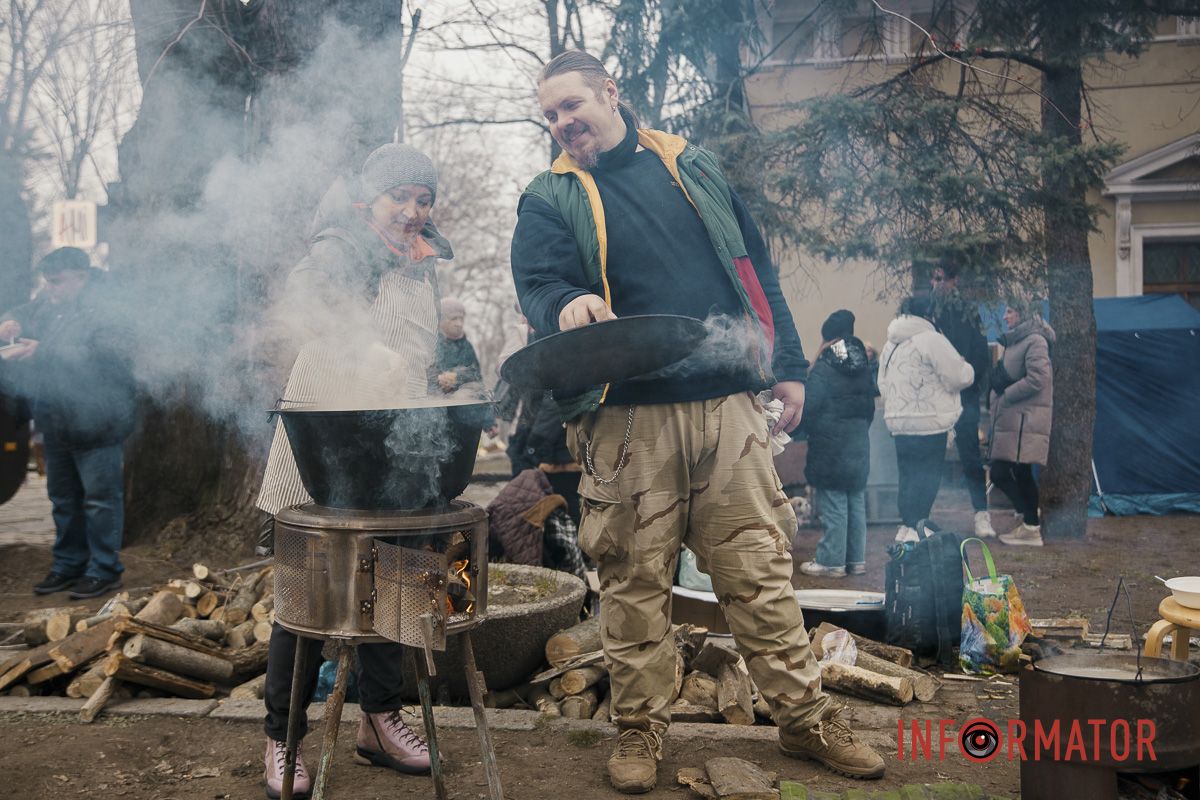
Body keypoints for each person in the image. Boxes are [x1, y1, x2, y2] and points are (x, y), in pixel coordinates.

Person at [510, 50, 884, 794]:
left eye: (571, 105)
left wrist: (787, 366)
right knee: (632, 581)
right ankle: (641, 730)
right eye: (549, 114)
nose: (562, 122)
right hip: (624, 421)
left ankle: (804, 719)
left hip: (727, 408)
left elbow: (753, 267)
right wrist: (566, 306)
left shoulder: (691, 166)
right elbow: (540, 284)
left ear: (610, 93)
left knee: (759, 571)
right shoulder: (549, 196)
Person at [255, 143, 450, 798]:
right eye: (402, 196)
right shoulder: (338, 248)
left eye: (424, 199)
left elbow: (420, 353)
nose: (414, 211)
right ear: (370, 197)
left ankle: (380, 719)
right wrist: (367, 351)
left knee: (398, 584)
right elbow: (301, 307)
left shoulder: (424, 268)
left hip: (395, 449)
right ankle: (282, 740)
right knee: (308, 596)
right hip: (326, 446)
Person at [0, 247, 136, 600]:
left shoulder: (109, 309)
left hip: (98, 420)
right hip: (57, 420)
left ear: (81, 276)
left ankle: (104, 570)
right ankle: (68, 564)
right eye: (47, 282)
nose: (51, 289)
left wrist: (39, 351)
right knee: (62, 499)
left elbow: (103, 357)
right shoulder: (50, 304)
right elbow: (25, 312)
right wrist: (11, 320)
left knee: (99, 501)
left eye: (56, 282)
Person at [878, 294, 974, 542]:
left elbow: (882, 383)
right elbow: (958, 377)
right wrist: (966, 365)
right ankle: (918, 526)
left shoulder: (891, 344)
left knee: (908, 475)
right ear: (929, 315)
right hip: (928, 420)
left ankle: (907, 526)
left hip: (899, 421)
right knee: (927, 476)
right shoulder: (932, 339)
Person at [797, 310, 877, 578]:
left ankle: (831, 560)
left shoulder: (825, 367)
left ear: (828, 339)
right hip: (858, 443)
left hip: (830, 446)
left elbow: (810, 406)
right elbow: (870, 409)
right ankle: (855, 560)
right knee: (855, 500)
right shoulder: (863, 367)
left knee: (834, 503)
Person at [931, 260, 996, 538]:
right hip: (934, 401)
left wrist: (964, 379)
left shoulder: (968, 312)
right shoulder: (929, 314)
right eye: (933, 279)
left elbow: (981, 356)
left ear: (953, 281)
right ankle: (922, 518)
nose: (936, 284)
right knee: (930, 458)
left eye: (941, 278)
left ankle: (982, 516)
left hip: (964, 397)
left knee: (970, 458)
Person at [989, 300, 1054, 547]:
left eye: (1010, 311)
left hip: (1024, 419)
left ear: (1022, 314)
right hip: (1015, 419)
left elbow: (1039, 378)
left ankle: (1031, 525)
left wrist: (1007, 394)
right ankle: (1029, 523)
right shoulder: (1018, 341)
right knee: (1020, 472)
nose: (1005, 317)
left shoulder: (1035, 341)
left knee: (1003, 472)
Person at [430, 296, 482, 393]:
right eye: (454, 318)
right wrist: (440, 380)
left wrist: (457, 377)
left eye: (461, 319)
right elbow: (421, 377)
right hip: (435, 401)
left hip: (463, 401)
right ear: (441, 320)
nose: (459, 323)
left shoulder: (467, 346)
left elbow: (476, 375)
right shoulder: (430, 343)